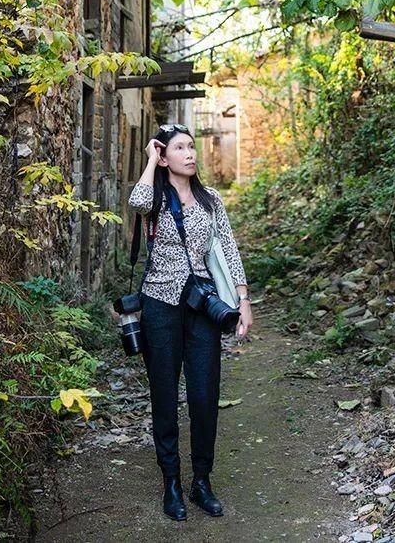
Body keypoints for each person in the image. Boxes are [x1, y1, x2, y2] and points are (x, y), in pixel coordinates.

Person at [128, 122, 253, 522]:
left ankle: (202, 481)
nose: (190, 154)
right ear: (164, 156)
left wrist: (243, 298)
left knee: (203, 395)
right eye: (179, 148)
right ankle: (171, 483)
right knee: (164, 396)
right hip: (160, 306)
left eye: (191, 147)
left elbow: (228, 248)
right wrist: (151, 160)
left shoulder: (210, 198)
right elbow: (137, 203)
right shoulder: (157, 194)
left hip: (202, 305)